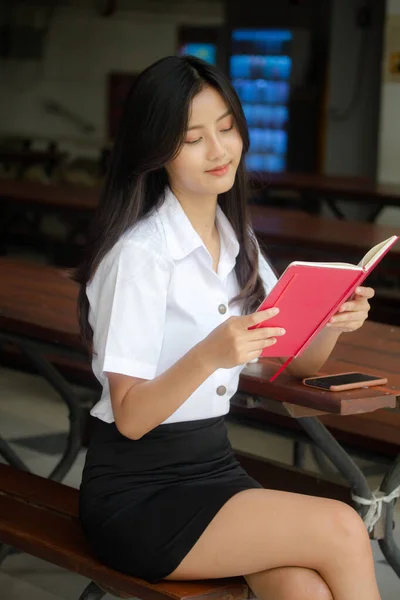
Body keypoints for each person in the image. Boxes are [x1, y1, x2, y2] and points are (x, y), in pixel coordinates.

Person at [76, 55, 380, 600]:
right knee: (344, 527)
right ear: (156, 150)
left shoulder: (239, 241)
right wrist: (209, 355)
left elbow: (284, 363)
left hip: (213, 468)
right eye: (193, 138)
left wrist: (332, 324)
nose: (219, 150)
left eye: (226, 128)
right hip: (138, 493)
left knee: (303, 590)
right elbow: (130, 418)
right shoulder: (143, 255)